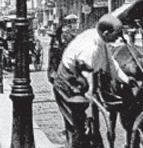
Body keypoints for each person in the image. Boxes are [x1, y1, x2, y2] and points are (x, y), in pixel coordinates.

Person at [53, 14, 124, 148]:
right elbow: (87, 81)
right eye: (117, 34)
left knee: (87, 128)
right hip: (69, 83)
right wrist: (89, 112)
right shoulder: (90, 49)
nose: (118, 38)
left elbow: (112, 65)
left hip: (82, 82)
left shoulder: (101, 40)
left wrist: (126, 80)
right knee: (78, 127)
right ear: (106, 33)